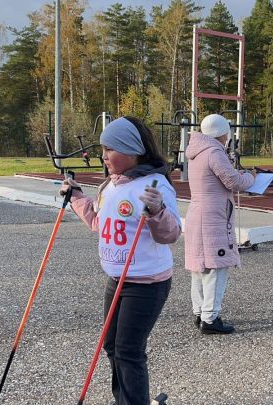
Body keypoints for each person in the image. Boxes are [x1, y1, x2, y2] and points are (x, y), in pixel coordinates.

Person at [60, 116, 182, 405]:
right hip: (116, 279)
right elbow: (98, 222)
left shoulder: (155, 186)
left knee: (128, 350)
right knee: (112, 346)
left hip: (147, 283)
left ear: (132, 151)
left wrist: (157, 212)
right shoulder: (109, 186)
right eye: (103, 149)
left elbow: (171, 233)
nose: (104, 156)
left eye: (110, 149)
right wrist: (76, 196)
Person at [184, 113, 255, 334]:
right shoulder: (214, 152)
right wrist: (250, 177)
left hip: (198, 213)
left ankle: (200, 312)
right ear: (223, 132)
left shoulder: (196, 151)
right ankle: (210, 318)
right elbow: (233, 181)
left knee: (199, 267)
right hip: (213, 216)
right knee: (217, 267)